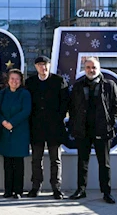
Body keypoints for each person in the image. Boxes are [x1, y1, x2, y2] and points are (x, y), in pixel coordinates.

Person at [67, 57, 117, 204]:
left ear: (99, 68)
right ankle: (81, 190)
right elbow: (72, 108)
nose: (91, 70)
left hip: (102, 130)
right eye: (88, 67)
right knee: (82, 162)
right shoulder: (78, 86)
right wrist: (74, 124)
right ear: (84, 69)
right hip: (83, 130)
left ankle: (106, 192)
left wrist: (110, 122)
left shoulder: (109, 85)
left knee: (104, 163)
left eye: (94, 67)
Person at [25, 56, 69, 199]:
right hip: (36, 127)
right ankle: (36, 187)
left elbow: (65, 103)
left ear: (49, 66)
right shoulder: (30, 82)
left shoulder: (58, 81)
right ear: (35, 67)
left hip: (54, 127)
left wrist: (58, 118)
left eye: (45, 65)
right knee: (36, 159)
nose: (42, 68)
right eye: (39, 65)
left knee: (55, 159)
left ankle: (56, 188)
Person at [0, 69, 31, 199]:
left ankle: (18, 191)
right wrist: (3, 122)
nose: (14, 81)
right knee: (7, 162)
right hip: (5, 132)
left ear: (21, 81)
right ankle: (8, 190)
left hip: (19, 132)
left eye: (17, 79)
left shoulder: (25, 94)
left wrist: (12, 122)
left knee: (18, 163)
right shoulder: (3, 93)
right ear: (8, 80)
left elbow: (26, 110)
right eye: (12, 79)